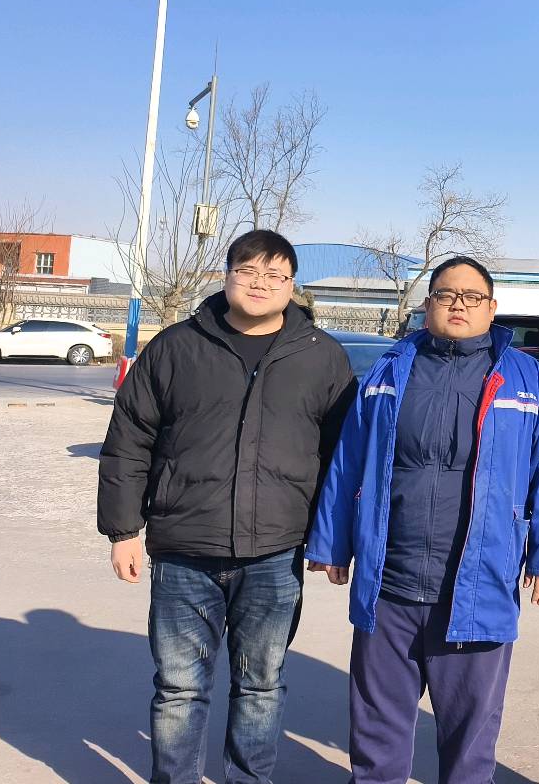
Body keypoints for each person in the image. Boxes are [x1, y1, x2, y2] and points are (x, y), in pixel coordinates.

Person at [97, 229, 356, 784]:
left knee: (261, 684)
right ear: (227, 275)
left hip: (274, 553)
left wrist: (334, 539)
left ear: (292, 285)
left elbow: (342, 458)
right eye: (249, 270)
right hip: (184, 550)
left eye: (275, 275)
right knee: (179, 687)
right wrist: (123, 530)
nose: (260, 283)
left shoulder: (321, 357)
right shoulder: (176, 347)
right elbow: (129, 441)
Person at [307, 255, 539, 784]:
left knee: (469, 742)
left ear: (492, 309)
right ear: (427, 304)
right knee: (376, 736)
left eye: (472, 297)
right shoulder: (389, 370)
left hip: (477, 587)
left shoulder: (526, 379)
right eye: (446, 295)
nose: (459, 304)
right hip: (390, 584)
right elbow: (349, 458)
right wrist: (333, 542)